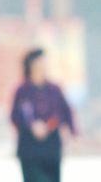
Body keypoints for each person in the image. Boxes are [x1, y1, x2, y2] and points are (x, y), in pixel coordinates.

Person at [10, 49, 77, 182]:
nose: (43, 65)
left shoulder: (54, 89)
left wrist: (73, 133)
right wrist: (31, 126)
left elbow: (65, 112)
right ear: (31, 64)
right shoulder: (22, 90)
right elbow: (14, 115)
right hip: (29, 148)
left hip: (51, 148)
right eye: (40, 62)